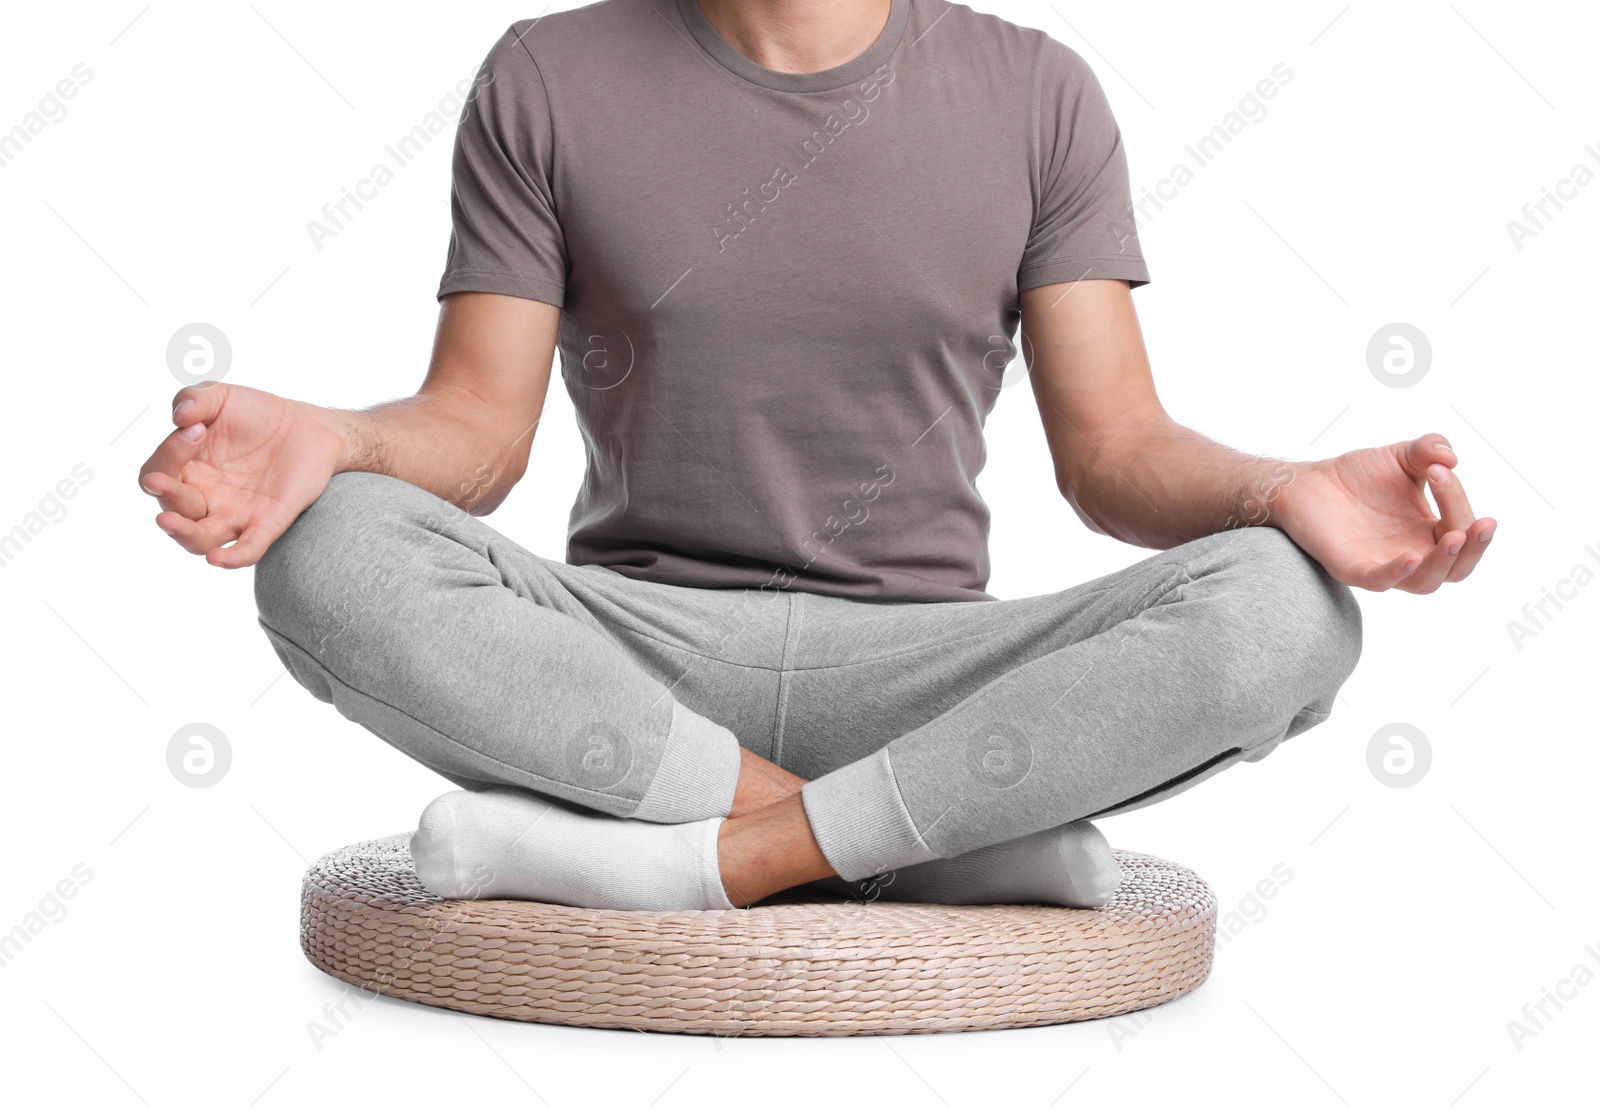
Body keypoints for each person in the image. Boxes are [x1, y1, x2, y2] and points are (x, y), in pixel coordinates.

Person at [136, 0, 1494, 913]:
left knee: (1285, 606)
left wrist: (1283, 494)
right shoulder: (549, 75)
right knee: (333, 552)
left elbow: (1115, 451)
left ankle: (692, 861)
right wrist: (339, 443)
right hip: (634, 661)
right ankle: (926, 845)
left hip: (934, 671)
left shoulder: (1035, 92)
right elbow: (480, 433)